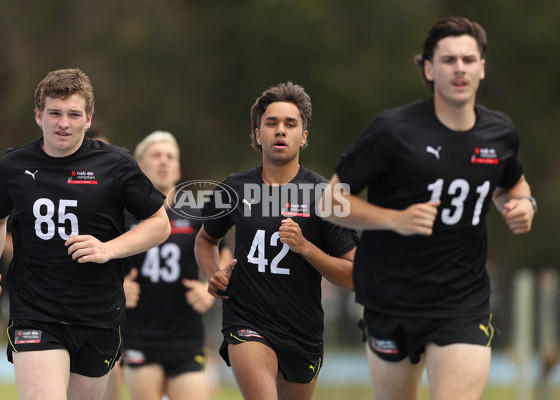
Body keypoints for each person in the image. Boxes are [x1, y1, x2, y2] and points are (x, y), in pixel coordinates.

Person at [320, 17, 535, 400]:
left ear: (482, 68)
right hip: (390, 298)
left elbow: (512, 184)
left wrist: (522, 204)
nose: (459, 68)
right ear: (428, 68)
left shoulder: (500, 133)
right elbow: (329, 202)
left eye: (469, 60)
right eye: (449, 59)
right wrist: (394, 220)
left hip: (462, 302)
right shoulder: (393, 131)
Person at [0, 68, 171, 400]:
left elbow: (159, 224)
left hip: (97, 316)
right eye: (54, 113)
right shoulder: (12, 166)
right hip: (35, 312)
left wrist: (108, 249)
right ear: (39, 115)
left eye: (73, 114)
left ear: (88, 117)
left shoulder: (115, 164)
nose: (63, 123)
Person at [194, 82, 357, 400]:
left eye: (290, 124)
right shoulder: (234, 189)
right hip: (246, 320)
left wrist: (306, 248)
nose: (280, 131)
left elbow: (353, 276)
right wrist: (213, 275)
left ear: (304, 136)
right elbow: (205, 240)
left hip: (302, 330)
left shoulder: (324, 196)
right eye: (271, 123)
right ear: (257, 134)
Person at [118, 131, 232, 400]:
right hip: (138, 334)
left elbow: (223, 251)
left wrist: (209, 287)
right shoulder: (121, 214)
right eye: (155, 155)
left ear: (178, 168)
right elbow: (101, 258)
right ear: (139, 166)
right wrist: (116, 287)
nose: (163, 162)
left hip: (185, 334)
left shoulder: (197, 212)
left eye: (170, 156)